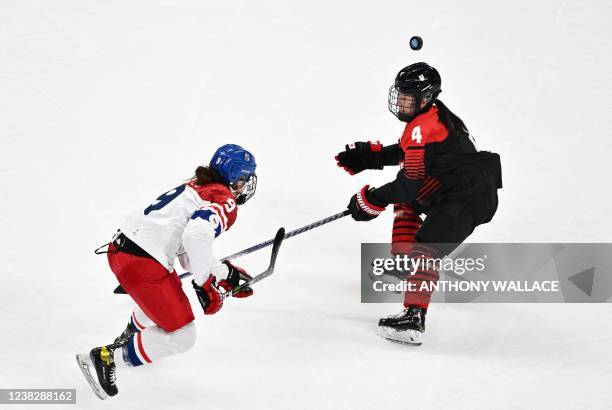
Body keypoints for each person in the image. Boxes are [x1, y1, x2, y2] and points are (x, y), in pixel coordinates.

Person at [336, 62, 502, 345]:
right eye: (399, 95)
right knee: (409, 202)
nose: (400, 102)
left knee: (427, 245)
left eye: (407, 97)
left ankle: (414, 318)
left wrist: (370, 200)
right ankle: (405, 263)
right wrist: (373, 158)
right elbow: (416, 157)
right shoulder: (434, 115)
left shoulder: (422, 126)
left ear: (426, 97)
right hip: (452, 188)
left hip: (468, 198)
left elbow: (407, 183)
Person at [77, 144, 258, 399]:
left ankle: (131, 336)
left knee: (166, 292)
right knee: (184, 336)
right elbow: (196, 237)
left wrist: (222, 273)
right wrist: (205, 283)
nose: (244, 186)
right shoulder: (224, 199)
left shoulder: (198, 185)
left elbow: (186, 254)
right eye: (244, 179)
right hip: (143, 263)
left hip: (121, 250)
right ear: (235, 177)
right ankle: (107, 357)